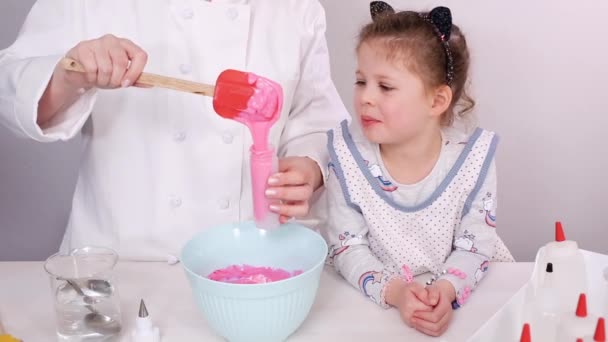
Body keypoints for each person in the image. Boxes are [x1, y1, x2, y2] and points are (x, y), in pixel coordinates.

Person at [0, 0, 348, 261]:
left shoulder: (296, 9)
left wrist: (308, 168)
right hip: (122, 263)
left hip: (248, 265)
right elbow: (9, 87)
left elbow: (316, 117)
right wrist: (67, 77)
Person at [323, 1, 514, 337]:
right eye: (360, 81)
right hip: (367, 313)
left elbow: (474, 246)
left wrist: (446, 289)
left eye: (385, 86)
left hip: (464, 306)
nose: (365, 97)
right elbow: (347, 246)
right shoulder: (347, 155)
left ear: (436, 101)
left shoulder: (472, 160)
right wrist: (396, 292)